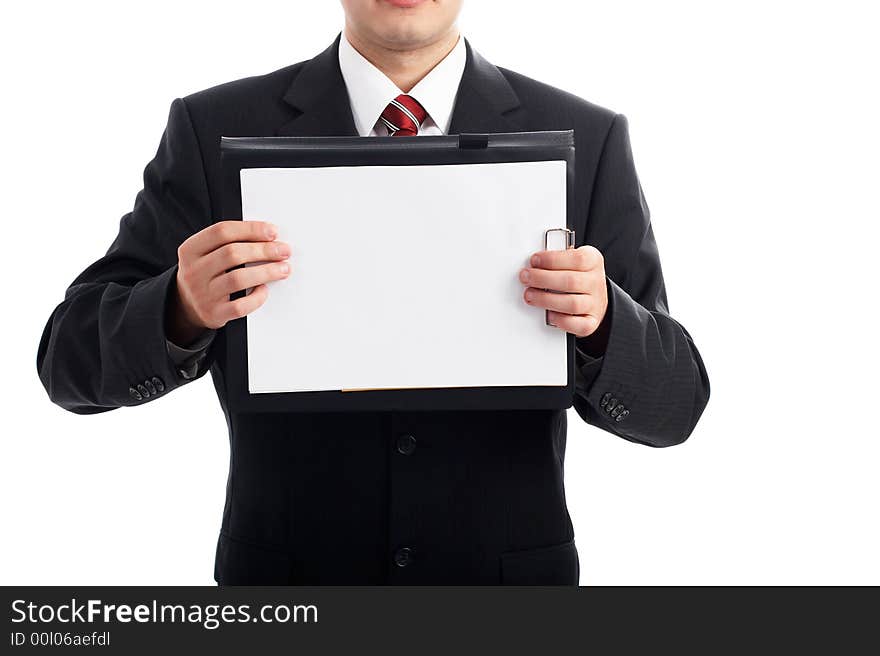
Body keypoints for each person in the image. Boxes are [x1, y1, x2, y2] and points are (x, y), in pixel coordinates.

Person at [37, 0, 709, 585]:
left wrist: (604, 324)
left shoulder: (586, 139)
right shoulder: (210, 127)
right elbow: (67, 366)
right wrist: (178, 307)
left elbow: (675, 407)